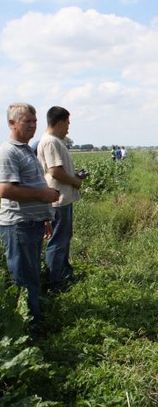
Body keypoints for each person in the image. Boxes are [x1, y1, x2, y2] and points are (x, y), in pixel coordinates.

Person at [0, 103, 59, 332]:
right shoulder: (8, 151)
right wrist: (44, 195)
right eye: (27, 122)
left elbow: (29, 184)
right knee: (24, 280)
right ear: (12, 123)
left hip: (31, 223)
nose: (33, 126)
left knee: (32, 275)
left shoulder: (25, 149)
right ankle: (27, 331)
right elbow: (5, 190)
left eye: (35, 122)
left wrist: (43, 217)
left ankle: (34, 322)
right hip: (18, 225)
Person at [37, 106, 86, 292]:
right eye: (67, 122)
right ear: (59, 122)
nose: (68, 127)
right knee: (58, 241)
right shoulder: (50, 142)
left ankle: (64, 274)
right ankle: (56, 283)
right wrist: (75, 181)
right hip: (57, 200)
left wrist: (75, 177)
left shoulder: (55, 141)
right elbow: (55, 171)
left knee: (63, 238)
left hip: (63, 198)